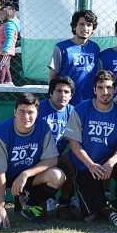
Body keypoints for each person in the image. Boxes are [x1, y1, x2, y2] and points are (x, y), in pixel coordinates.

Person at [0, 93, 66, 228]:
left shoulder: (43, 128)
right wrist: (0, 207)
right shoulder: (0, 132)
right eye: (21, 111)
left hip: (27, 176)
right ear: (14, 112)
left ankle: (29, 206)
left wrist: (25, 174)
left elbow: (52, 160)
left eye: (30, 112)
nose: (26, 117)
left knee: (58, 176)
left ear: (37, 113)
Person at [64, 70, 117, 227]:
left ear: (115, 89)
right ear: (94, 90)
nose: (105, 92)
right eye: (101, 88)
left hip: (108, 161)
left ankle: (115, 210)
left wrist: (111, 162)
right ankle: (99, 202)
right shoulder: (81, 109)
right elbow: (74, 142)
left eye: (109, 88)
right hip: (86, 164)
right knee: (90, 218)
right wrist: (90, 164)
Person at [38, 76, 76, 216]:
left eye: (66, 92)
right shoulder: (38, 108)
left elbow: (78, 139)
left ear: (71, 96)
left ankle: (65, 203)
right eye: (58, 91)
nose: (62, 95)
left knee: (71, 161)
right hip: (38, 156)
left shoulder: (73, 112)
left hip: (59, 155)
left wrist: (69, 152)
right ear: (51, 93)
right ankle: (42, 198)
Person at [48, 9, 100, 106]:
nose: (85, 28)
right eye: (81, 24)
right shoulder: (61, 47)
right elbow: (52, 78)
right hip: (66, 102)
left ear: (93, 28)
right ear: (74, 26)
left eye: (89, 25)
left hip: (89, 101)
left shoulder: (95, 48)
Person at [0, 6, 20, 85]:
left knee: (1, 65)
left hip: (6, 50)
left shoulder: (9, 25)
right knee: (5, 66)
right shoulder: (5, 24)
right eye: (0, 14)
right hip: (3, 50)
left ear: (8, 15)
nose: (0, 16)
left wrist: (5, 50)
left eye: (2, 14)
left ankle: (0, 81)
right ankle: (9, 81)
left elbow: (10, 38)